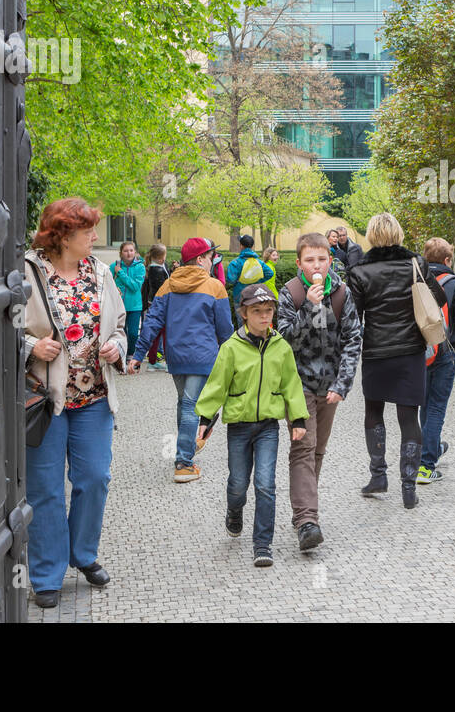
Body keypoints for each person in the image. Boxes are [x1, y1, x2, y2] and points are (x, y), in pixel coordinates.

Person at [22, 198, 128, 609]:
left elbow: (118, 325)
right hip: (46, 400)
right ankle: (46, 573)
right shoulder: (27, 271)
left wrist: (117, 347)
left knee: (94, 479)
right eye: (88, 232)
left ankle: (82, 555)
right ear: (64, 235)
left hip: (94, 398)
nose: (96, 238)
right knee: (45, 489)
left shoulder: (100, 272)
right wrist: (32, 345)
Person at [196, 284, 308, 567]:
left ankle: (263, 544)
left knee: (266, 484)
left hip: (269, 426)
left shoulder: (280, 347)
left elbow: (291, 385)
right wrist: (205, 419)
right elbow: (217, 385)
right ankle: (235, 512)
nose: (264, 316)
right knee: (237, 483)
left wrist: (297, 419)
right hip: (239, 426)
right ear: (244, 314)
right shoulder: (231, 348)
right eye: (257, 311)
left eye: (268, 311)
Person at [346, 213, 447, 509]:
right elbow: (438, 299)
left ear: (371, 236)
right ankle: (408, 486)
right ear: (399, 234)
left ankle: (378, 476)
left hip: (376, 352)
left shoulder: (359, 271)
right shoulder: (416, 264)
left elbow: (353, 316)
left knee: (374, 412)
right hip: (410, 352)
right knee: (408, 417)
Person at [277, 232, 362, 550]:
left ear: (331, 260)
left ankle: (302, 510)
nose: (317, 265)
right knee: (303, 448)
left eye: (322, 259)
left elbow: (354, 338)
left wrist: (343, 384)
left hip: (330, 388)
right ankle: (308, 520)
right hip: (297, 387)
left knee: (317, 451)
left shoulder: (342, 293)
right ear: (299, 263)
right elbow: (285, 340)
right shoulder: (290, 293)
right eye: (310, 259)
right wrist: (309, 309)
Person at [129, 237, 232, 482]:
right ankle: (184, 462)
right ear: (199, 259)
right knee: (190, 406)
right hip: (203, 356)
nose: (212, 261)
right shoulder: (214, 286)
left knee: (184, 403)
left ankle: (185, 452)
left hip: (176, 356)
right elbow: (225, 329)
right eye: (209, 257)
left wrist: (138, 354)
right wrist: (233, 357)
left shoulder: (168, 285)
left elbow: (152, 321)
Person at [417, 238, 455, 485]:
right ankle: (426, 465)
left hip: (420, 351)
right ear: (447, 260)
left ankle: (430, 449)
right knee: (436, 406)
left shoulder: (416, 282)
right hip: (446, 350)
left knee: (424, 403)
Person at [110, 240, 146, 360]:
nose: (129, 253)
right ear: (121, 253)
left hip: (135, 306)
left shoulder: (140, 267)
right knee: (121, 333)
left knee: (133, 334)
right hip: (118, 306)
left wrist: (120, 273)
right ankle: (122, 355)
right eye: (125, 251)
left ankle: (130, 354)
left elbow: (135, 287)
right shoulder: (113, 266)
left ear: (135, 252)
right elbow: (107, 284)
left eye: (131, 250)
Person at [141, 243, 170, 371]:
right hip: (161, 304)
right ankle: (165, 361)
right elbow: (165, 286)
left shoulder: (157, 267)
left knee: (157, 333)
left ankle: (153, 360)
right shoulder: (156, 270)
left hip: (155, 303)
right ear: (161, 258)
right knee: (165, 332)